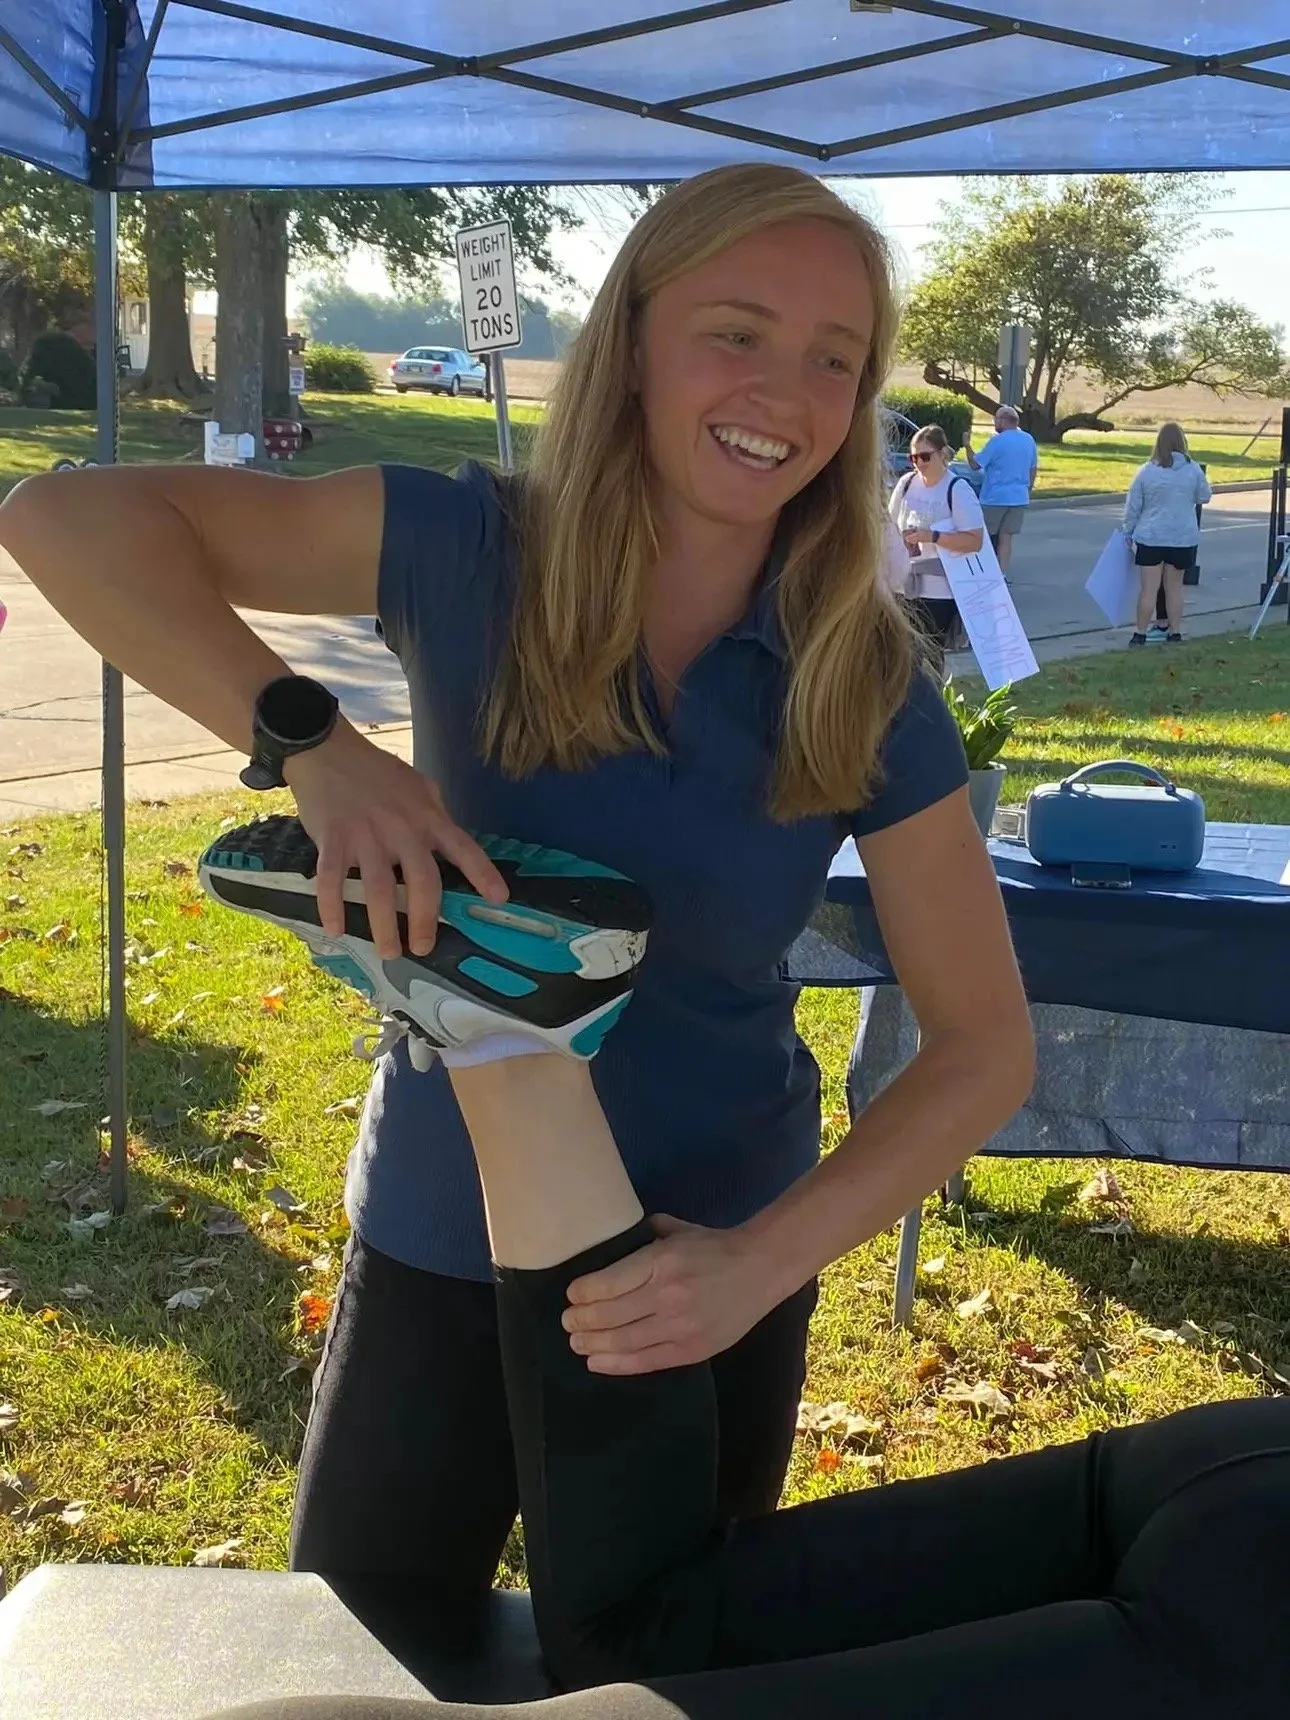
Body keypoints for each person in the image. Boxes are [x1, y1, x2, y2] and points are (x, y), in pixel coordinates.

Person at [0, 164, 1033, 1604]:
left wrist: (755, 1265)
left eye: (832, 360)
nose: (782, 393)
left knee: (656, 1678)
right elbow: (64, 520)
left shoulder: (863, 677)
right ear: (633, 341)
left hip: (697, 1268)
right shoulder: (466, 545)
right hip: (445, 1227)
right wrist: (317, 747)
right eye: (734, 332)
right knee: (357, 1655)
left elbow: (983, 1046)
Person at [201, 867, 1290, 1720]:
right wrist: (311, 740)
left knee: (649, 1632)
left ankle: (503, 1036)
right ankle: (501, 1034)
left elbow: (986, 1046)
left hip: (1234, 1479)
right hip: (1241, 1602)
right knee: (636, 1644)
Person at [887, 423, 985, 672]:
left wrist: (933, 536)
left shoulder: (957, 489)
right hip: (903, 584)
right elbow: (889, 525)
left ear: (943, 454)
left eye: (925, 457)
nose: (918, 463)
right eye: (913, 458)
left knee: (928, 653)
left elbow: (975, 541)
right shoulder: (906, 483)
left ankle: (931, 693)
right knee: (900, 653)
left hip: (940, 588)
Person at [1123, 422, 1212, 646]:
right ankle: (1175, 632)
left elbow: (1134, 506)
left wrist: (1128, 531)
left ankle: (1140, 633)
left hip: (1151, 536)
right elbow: (1204, 496)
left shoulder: (1147, 471)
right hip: (1182, 537)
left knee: (1148, 590)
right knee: (1174, 589)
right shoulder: (1193, 470)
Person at [963, 404, 1038, 574]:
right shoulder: (1028, 440)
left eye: (996, 419)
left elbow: (975, 465)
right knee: (1006, 538)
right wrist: (1028, 490)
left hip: (995, 498)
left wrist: (967, 445)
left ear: (1004, 420)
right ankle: (1001, 573)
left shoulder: (997, 441)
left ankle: (981, 572)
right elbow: (1033, 468)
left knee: (983, 537)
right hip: (1018, 497)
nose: (994, 422)